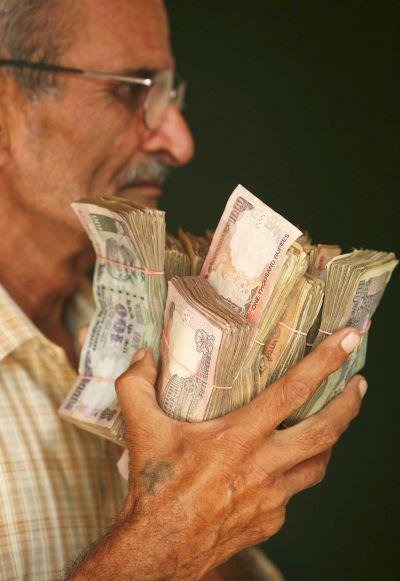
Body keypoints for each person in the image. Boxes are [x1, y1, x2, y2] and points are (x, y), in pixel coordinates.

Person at [0, 0, 367, 579]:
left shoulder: (147, 324)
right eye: (134, 89)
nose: (180, 141)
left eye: (172, 94)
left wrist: (218, 526)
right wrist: (170, 539)